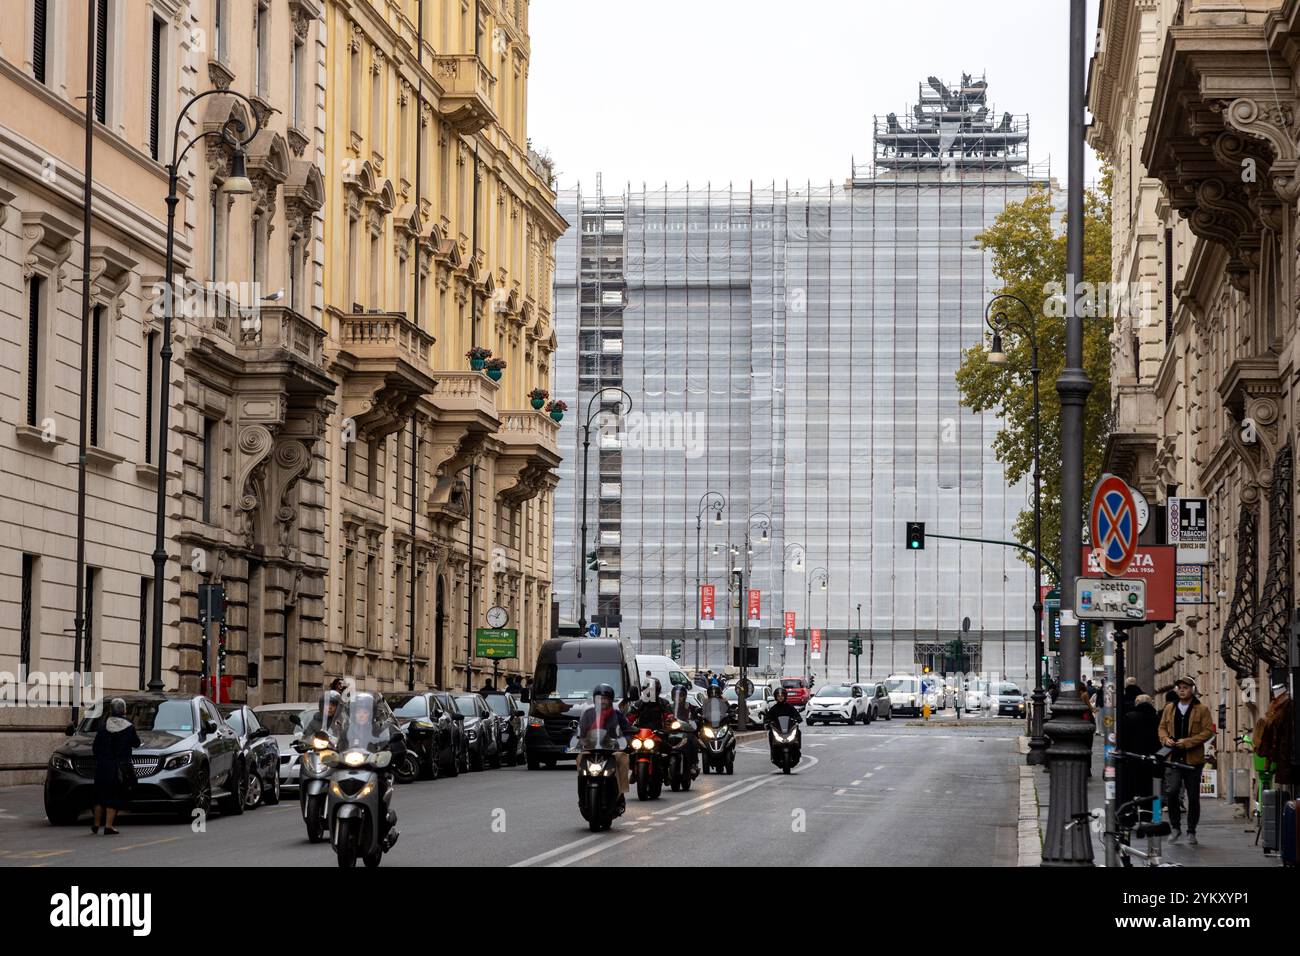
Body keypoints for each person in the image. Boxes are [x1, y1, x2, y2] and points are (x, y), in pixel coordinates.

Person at [1158, 676, 1214, 845]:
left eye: (1185, 687)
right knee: (1172, 791)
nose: (1182, 690)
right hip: (1173, 758)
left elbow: (1207, 731)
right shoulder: (1169, 708)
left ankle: (1191, 830)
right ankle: (1175, 827)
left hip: (1193, 760)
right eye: (1179, 687)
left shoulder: (1201, 709)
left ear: (1192, 690)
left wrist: (1188, 742)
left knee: (1193, 796)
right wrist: (1165, 739)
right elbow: (1161, 728)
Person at [91, 698, 141, 835]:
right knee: (114, 796)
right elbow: (136, 743)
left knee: (99, 795)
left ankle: (96, 824)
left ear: (111, 710)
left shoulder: (102, 727)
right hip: (118, 768)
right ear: (124, 710)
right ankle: (108, 826)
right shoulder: (129, 727)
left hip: (102, 766)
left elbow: (95, 748)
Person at [576, 683, 633, 801]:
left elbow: (627, 730)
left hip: (611, 750)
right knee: (580, 758)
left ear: (610, 700)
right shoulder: (588, 714)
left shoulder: (617, 715)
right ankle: (582, 793)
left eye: (605, 699)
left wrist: (626, 741)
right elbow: (581, 731)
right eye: (599, 698)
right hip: (591, 749)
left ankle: (620, 792)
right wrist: (579, 740)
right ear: (594, 699)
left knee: (623, 758)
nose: (602, 701)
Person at [1118, 693, 1161, 815]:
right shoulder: (1157, 717)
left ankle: (1132, 813)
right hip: (1153, 759)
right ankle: (1154, 814)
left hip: (1132, 758)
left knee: (1132, 788)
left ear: (1136, 703)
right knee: (1153, 788)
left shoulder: (1129, 717)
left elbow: (1123, 739)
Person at [1255, 682, 1294, 786]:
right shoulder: (1274, 704)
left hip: (1285, 748)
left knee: (1288, 778)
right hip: (1277, 749)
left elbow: (1278, 726)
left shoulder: (1286, 704)